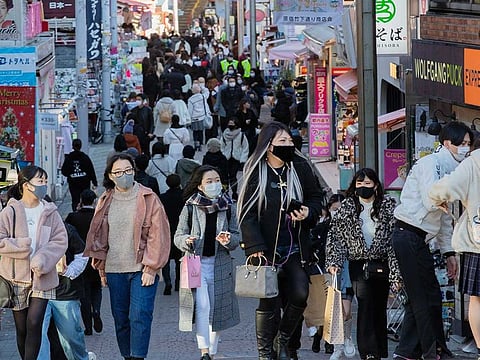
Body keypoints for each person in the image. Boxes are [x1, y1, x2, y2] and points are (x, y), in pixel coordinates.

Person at [237, 122, 324, 360]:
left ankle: (283, 340)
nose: (288, 146)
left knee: (299, 293)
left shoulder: (300, 167)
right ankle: (266, 353)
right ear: (268, 146)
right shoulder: (256, 171)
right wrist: (255, 248)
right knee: (269, 302)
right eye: (281, 142)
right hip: (266, 250)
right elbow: (247, 214)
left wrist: (309, 212)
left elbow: (317, 197)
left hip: (296, 246)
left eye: (289, 141)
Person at [391, 121, 473, 360]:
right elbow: (432, 199)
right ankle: (432, 351)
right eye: (462, 144)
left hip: (419, 239)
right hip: (407, 234)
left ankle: (407, 351)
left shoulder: (454, 171)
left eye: (469, 144)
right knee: (423, 299)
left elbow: (444, 221)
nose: (466, 148)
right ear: (447, 143)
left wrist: (449, 253)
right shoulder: (431, 163)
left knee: (428, 297)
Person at [84, 153, 171, 360]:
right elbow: (100, 238)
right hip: (115, 269)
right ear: (110, 175)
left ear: (134, 171)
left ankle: (138, 356)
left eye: (128, 170)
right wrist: (102, 269)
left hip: (141, 269)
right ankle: (127, 355)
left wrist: (151, 267)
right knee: (121, 319)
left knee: (140, 315)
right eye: (119, 172)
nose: (124, 175)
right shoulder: (105, 200)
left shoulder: (149, 198)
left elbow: (158, 235)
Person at [326, 168, 401, 360]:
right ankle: (368, 352)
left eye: (367, 184)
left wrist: (395, 274)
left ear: (376, 185)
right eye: (359, 184)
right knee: (366, 304)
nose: (363, 188)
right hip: (358, 263)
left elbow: (394, 240)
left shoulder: (388, 206)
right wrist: (334, 261)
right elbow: (336, 237)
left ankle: (378, 351)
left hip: (381, 262)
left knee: (378, 307)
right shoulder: (347, 207)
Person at [0, 165, 68, 360]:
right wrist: (22, 246)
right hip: (15, 277)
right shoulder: (10, 211)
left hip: (43, 275)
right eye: (40, 181)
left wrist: (43, 258)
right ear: (26, 185)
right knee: (21, 330)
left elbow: (60, 240)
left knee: (34, 322)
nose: (44, 186)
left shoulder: (49, 211)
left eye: (45, 181)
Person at [174, 165, 240, 360]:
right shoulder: (190, 206)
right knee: (203, 305)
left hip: (220, 264)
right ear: (200, 186)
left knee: (218, 308)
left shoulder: (228, 206)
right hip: (196, 263)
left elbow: (236, 235)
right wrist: (187, 240)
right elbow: (178, 235)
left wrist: (229, 240)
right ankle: (204, 350)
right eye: (209, 181)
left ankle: (211, 350)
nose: (214, 184)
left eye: (217, 180)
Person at [429, 146, 480, 360]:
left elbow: (446, 187)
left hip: (477, 241)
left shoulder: (474, 162)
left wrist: (436, 197)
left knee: (477, 300)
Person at [37, 222, 91, 360]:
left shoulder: (66, 229)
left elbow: (83, 255)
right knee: (38, 337)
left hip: (64, 292)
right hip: (38, 292)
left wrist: (69, 271)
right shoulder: (26, 230)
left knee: (71, 337)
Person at [309, 194, 345, 356]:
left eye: (341, 209)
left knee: (339, 308)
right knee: (326, 307)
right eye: (335, 209)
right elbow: (311, 245)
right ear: (328, 210)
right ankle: (321, 335)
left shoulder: (349, 228)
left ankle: (329, 339)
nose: (338, 212)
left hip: (345, 272)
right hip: (324, 271)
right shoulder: (322, 228)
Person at [65, 189, 103, 336]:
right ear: (94, 201)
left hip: (79, 259)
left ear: (81, 201)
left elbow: (65, 233)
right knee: (97, 288)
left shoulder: (73, 217)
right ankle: (97, 310)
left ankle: (88, 327)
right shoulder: (98, 216)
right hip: (96, 257)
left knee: (84, 293)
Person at [159, 174, 184, 295]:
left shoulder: (162, 198)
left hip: (166, 231)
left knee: (166, 260)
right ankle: (178, 282)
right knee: (180, 259)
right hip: (181, 231)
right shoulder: (184, 197)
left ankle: (168, 282)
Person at [61, 139, 98, 211]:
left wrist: (70, 174)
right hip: (85, 182)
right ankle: (85, 212)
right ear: (81, 146)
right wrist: (94, 182)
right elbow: (91, 170)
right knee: (86, 198)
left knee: (75, 199)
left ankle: (76, 212)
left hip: (73, 183)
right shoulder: (85, 157)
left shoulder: (69, 158)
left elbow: (64, 171)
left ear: (72, 146)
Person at [221, 117, 249, 201]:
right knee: (225, 177)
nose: (231, 125)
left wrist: (243, 159)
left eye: (232, 123)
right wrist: (222, 155)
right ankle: (225, 193)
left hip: (236, 159)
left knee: (233, 176)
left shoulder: (241, 135)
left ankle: (234, 193)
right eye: (230, 123)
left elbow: (245, 147)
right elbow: (221, 145)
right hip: (226, 158)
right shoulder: (225, 134)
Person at [188, 84, 210, 151]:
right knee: (201, 131)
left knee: (195, 132)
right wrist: (201, 86)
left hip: (194, 118)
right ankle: (200, 144)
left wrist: (189, 119)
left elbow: (190, 110)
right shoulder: (203, 96)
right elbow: (207, 91)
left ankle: (196, 144)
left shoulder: (191, 99)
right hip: (202, 116)